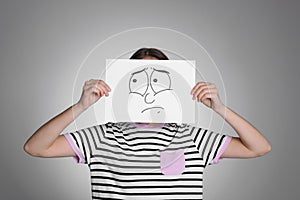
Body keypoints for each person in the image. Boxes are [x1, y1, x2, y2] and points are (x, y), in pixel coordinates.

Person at [24, 48, 271, 199]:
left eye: (159, 80)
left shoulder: (194, 138)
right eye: (137, 80)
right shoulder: (101, 137)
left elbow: (259, 147)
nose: (148, 92)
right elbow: (36, 148)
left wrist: (220, 108)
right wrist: (80, 107)